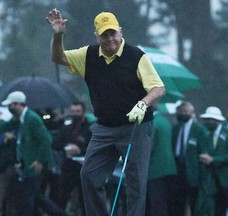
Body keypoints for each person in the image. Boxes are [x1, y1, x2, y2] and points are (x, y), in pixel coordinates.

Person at [47, 9, 165, 216]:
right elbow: (58, 57)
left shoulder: (137, 56)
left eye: (113, 33)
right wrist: (58, 35)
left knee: (135, 183)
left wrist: (143, 104)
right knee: (89, 175)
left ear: (120, 32)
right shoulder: (88, 55)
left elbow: (157, 88)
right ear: (97, 36)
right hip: (104, 129)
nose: (110, 39)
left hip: (136, 127)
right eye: (104, 35)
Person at [0, 91, 55, 216]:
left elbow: (46, 140)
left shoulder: (32, 119)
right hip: (27, 165)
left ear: (18, 104)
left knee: (27, 198)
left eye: (11, 105)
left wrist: (39, 161)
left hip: (35, 165)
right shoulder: (21, 119)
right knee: (36, 198)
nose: (9, 108)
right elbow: (5, 126)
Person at [199, 106, 228, 216]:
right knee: (219, 209)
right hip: (216, 179)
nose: (207, 122)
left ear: (216, 120)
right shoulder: (208, 135)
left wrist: (213, 159)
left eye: (210, 119)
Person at [169, 101, 210, 216]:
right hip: (177, 169)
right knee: (178, 204)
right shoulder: (176, 128)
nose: (183, 114)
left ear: (192, 113)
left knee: (194, 204)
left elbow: (203, 153)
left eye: (185, 112)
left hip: (192, 171)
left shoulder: (199, 130)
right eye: (180, 112)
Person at [53, 102, 91, 215]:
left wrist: (79, 149)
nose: (75, 114)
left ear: (83, 112)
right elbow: (55, 143)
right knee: (62, 197)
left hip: (83, 166)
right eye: (73, 112)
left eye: (77, 111)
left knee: (84, 198)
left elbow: (93, 145)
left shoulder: (90, 128)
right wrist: (66, 147)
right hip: (68, 166)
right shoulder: (67, 127)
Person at [145, 107, 177, 216]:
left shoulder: (152, 122)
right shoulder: (165, 121)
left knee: (156, 203)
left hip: (155, 169)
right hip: (170, 168)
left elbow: (149, 147)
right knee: (165, 201)